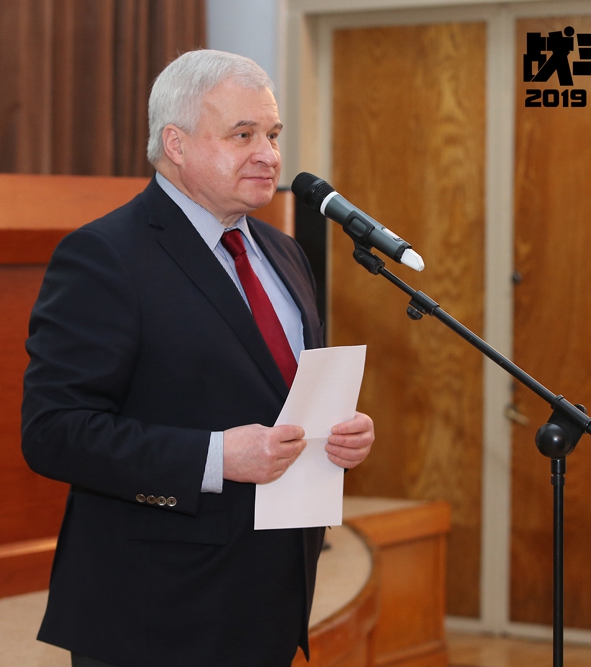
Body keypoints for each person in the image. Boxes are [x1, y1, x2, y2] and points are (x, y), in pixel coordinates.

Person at [21, 49, 374, 667]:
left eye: (272, 135)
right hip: (157, 608)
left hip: (270, 593)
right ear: (176, 145)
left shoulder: (284, 252)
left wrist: (338, 433)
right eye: (243, 135)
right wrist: (216, 457)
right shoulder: (105, 255)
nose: (268, 154)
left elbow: (276, 393)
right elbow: (54, 432)